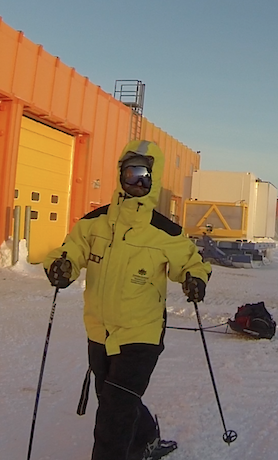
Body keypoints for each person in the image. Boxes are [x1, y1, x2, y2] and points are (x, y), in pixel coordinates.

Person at [44, 139, 212, 460]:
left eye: (144, 175)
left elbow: (192, 263)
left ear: (154, 179)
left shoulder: (166, 232)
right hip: (99, 331)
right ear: (120, 175)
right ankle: (145, 440)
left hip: (142, 334)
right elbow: (70, 251)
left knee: (113, 414)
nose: (137, 182)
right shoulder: (93, 223)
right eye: (131, 173)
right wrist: (61, 265)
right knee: (112, 397)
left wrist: (194, 280)